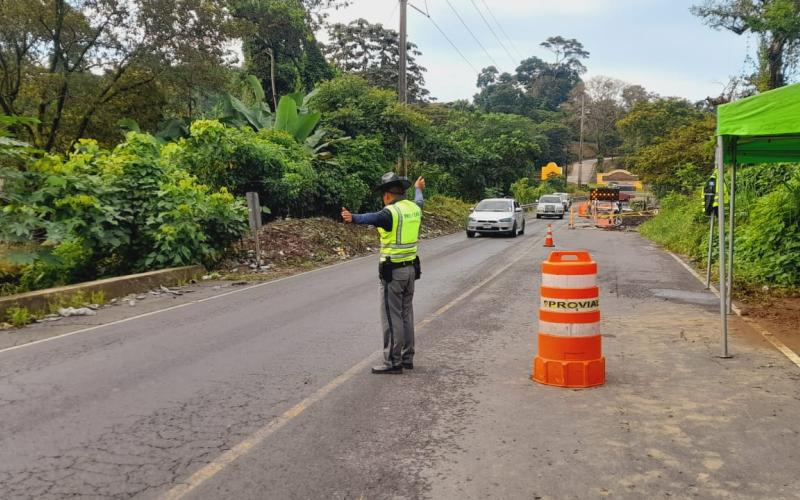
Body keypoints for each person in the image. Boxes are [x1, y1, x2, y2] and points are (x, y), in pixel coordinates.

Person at [341, 173, 425, 374]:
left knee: (391, 317)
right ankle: (407, 357)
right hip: (411, 270)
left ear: (387, 195)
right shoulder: (414, 208)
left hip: (393, 273)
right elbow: (420, 200)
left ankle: (393, 362)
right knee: (406, 314)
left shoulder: (390, 213)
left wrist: (353, 218)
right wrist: (419, 188)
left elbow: (373, 217)